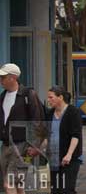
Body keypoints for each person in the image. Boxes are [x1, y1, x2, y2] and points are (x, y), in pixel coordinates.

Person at [0, 63, 45, 194]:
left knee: (9, 184)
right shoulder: (2, 97)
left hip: (22, 147)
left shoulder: (28, 94)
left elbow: (37, 121)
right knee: (18, 184)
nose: (0, 80)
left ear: (13, 77)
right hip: (5, 145)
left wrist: (36, 145)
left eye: (3, 77)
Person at [45, 86, 83, 194]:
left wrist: (69, 154)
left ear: (60, 97)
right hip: (54, 157)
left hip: (70, 158)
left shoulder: (73, 112)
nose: (48, 100)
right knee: (55, 189)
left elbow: (76, 135)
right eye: (48, 98)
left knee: (67, 189)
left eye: (51, 97)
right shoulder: (49, 114)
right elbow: (47, 136)